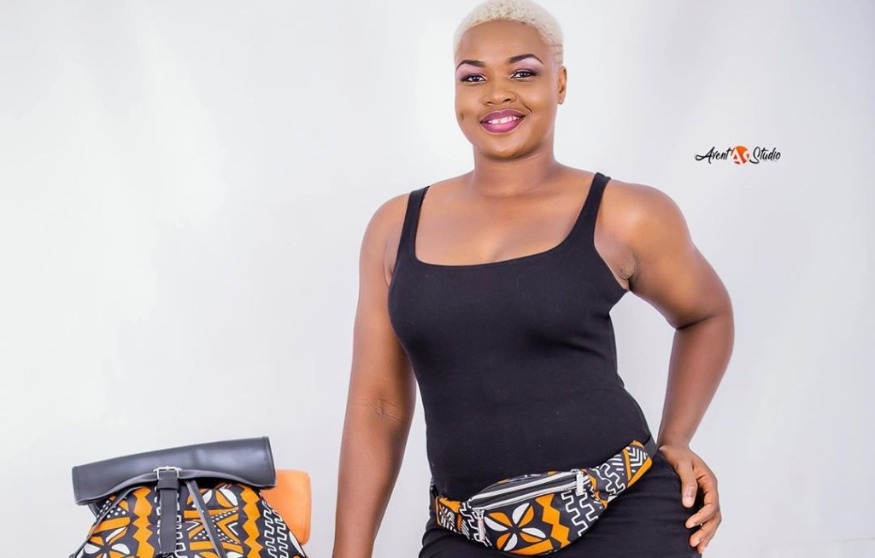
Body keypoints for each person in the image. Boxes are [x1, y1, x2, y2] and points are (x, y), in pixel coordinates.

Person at [332, 1, 733, 556]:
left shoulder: (626, 213)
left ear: (560, 83)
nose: (497, 94)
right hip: (466, 531)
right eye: (474, 77)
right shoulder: (395, 227)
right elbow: (377, 406)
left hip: (625, 513)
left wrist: (676, 438)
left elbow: (706, 314)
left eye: (523, 72)